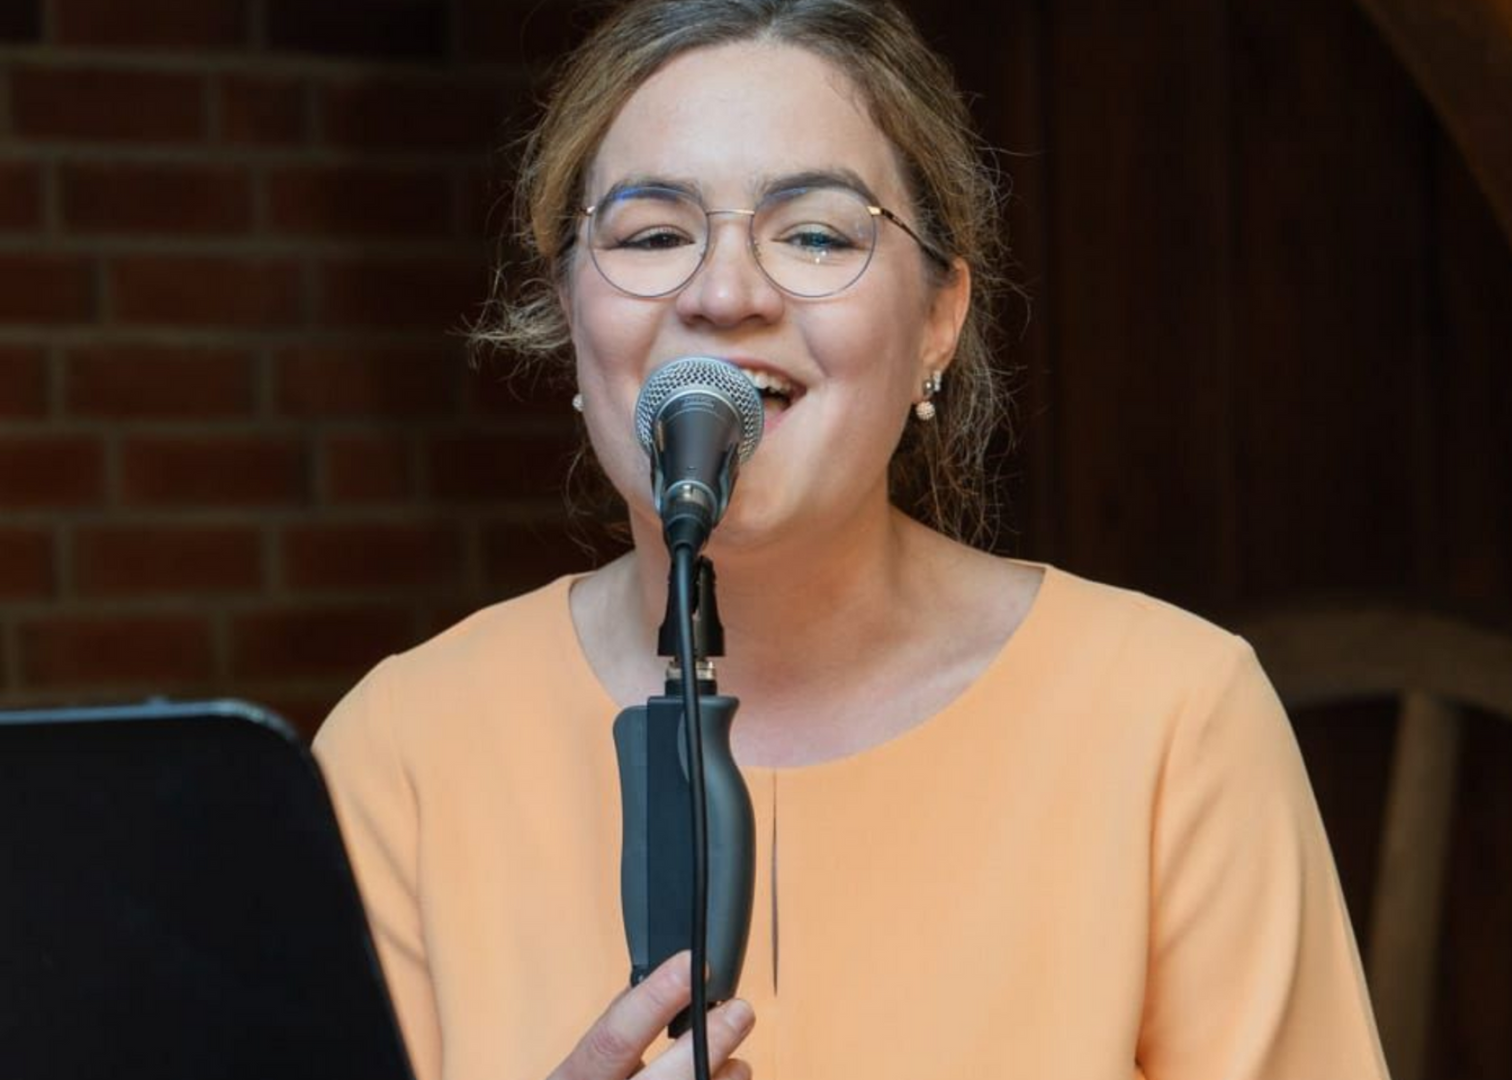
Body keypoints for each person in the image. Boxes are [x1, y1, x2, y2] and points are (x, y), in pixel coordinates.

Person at [313, 2, 1388, 1078]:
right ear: (569, 309)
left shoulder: (1172, 720)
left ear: (938, 320)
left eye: (816, 233)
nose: (724, 293)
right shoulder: (402, 755)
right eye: (651, 235)